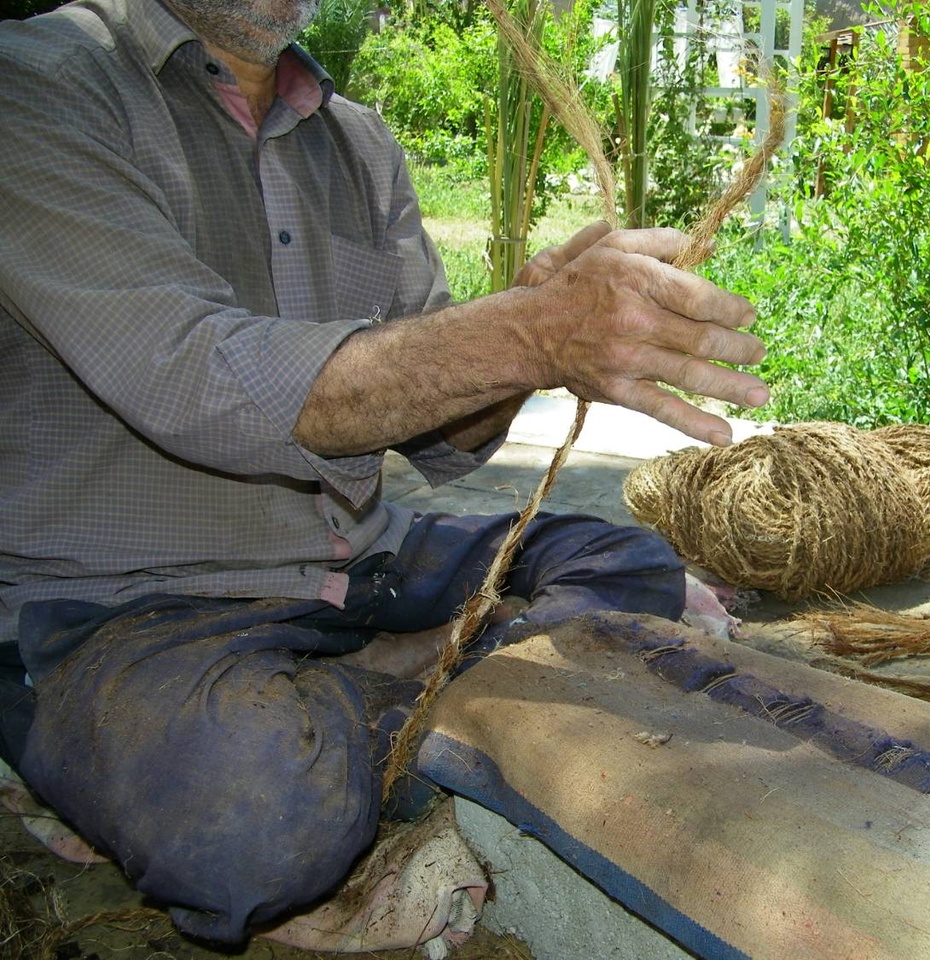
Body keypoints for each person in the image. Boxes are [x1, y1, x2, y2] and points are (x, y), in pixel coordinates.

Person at [0, 0, 768, 946]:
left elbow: (445, 442)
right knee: (254, 828)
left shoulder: (356, 141)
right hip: (129, 604)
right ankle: (407, 686)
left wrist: (522, 342)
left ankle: (361, 686)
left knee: (633, 568)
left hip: (358, 561)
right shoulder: (35, 81)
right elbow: (197, 377)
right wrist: (524, 333)